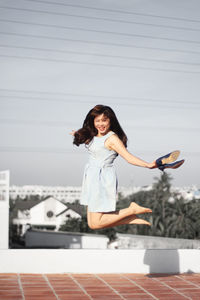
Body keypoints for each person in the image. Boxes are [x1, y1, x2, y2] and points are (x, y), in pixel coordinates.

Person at [70, 105, 158, 230]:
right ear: (93, 121)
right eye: (97, 121)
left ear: (111, 121)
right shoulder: (95, 135)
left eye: (104, 120)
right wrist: (77, 134)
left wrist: (148, 165)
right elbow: (95, 146)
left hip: (101, 179)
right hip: (92, 178)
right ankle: (129, 218)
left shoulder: (112, 139)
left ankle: (131, 211)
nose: (100, 124)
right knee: (93, 224)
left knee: (96, 223)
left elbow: (128, 157)